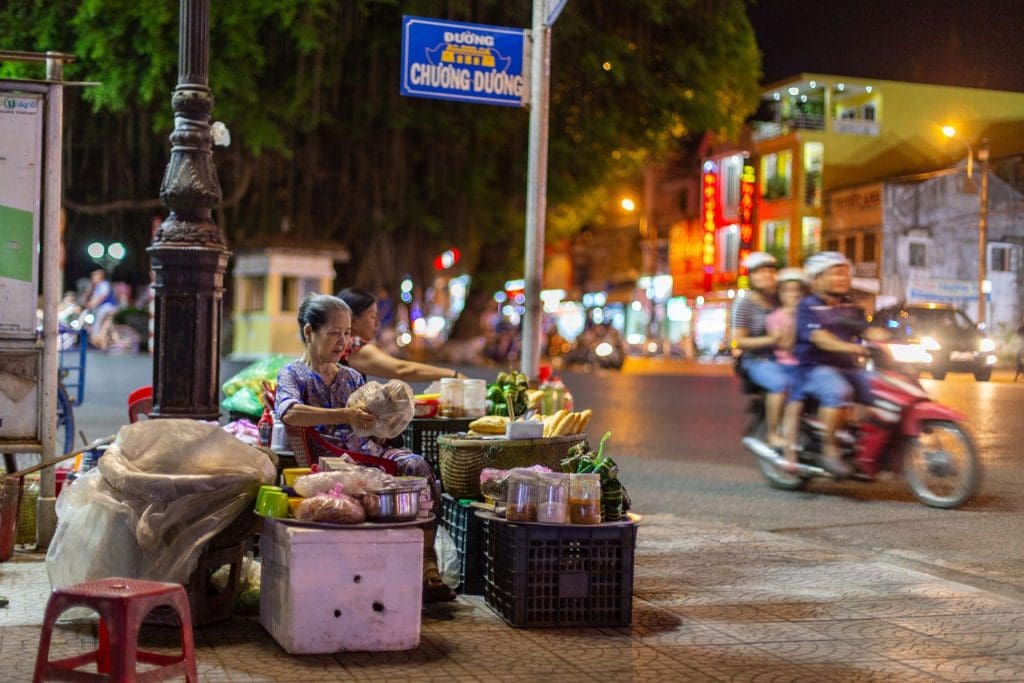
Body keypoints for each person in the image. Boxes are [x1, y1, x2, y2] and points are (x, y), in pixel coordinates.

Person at [275, 293, 457, 602]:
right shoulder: (293, 374)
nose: (343, 341)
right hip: (329, 464)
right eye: (334, 333)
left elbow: (375, 430)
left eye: (347, 333)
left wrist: (392, 416)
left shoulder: (352, 377)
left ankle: (427, 565)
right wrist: (344, 415)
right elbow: (290, 412)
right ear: (309, 332)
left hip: (368, 456)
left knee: (416, 466)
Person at [790, 252, 887, 476]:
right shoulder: (807, 306)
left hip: (848, 367)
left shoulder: (848, 305)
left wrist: (886, 337)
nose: (842, 278)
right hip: (812, 368)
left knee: (879, 388)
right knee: (838, 390)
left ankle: (863, 445)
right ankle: (829, 449)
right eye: (835, 274)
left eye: (845, 273)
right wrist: (852, 348)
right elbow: (818, 337)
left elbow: (865, 328)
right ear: (816, 280)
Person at [337, 287, 466, 382]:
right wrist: (453, 375)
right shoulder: (351, 346)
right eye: (372, 317)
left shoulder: (337, 344)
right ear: (353, 320)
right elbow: (401, 369)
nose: (377, 323)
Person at [731, 252, 790, 449]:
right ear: (751, 277)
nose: (766, 275)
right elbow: (738, 341)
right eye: (760, 272)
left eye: (770, 271)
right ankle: (773, 433)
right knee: (779, 383)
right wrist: (771, 339)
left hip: (783, 356)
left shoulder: (780, 300)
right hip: (755, 360)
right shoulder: (744, 304)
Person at [765, 268, 804, 470]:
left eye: (797, 290)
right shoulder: (776, 317)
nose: (794, 294)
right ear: (781, 294)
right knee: (794, 404)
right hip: (787, 366)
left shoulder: (808, 314)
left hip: (806, 364)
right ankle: (789, 454)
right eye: (789, 290)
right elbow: (785, 345)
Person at [85, 268, 118, 350]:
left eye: (94, 276)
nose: (93, 278)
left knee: (97, 319)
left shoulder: (104, 284)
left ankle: (95, 337)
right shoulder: (97, 286)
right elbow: (93, 298)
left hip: (108, 307)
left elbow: (101, 297)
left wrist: (93, 304)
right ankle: (102, 341)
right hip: (104, 307)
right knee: (105, 325)